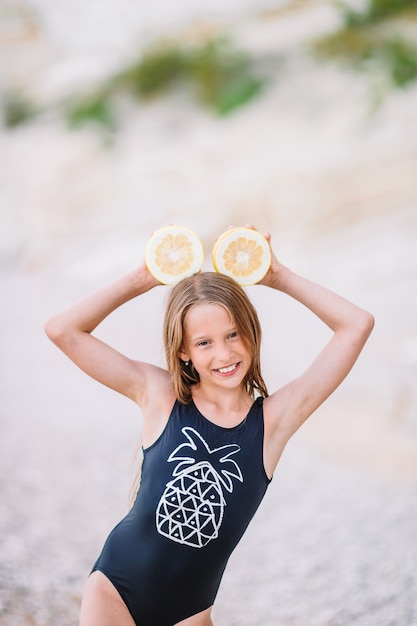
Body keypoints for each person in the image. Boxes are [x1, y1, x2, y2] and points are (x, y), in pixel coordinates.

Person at [44, 227, 374, 626]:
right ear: (183, 351)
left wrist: (278, 276)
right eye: (204, 343)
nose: (225, 353)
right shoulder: (160, 395)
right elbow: (63, 329)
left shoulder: (273, 422)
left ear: (251, 333)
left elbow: (357, 324)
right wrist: (143, 277)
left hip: (191, 615)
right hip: (115, 589)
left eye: (234, 334)